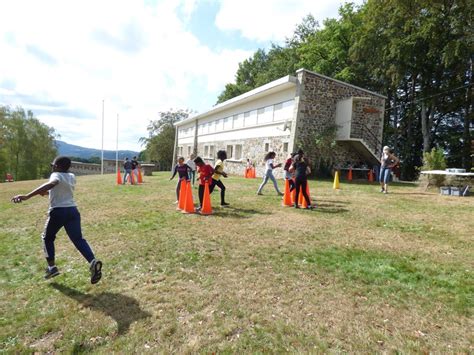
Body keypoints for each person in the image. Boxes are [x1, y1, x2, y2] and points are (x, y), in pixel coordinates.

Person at [10, 156, 102, 283]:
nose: (52, 167)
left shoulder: (55, 175)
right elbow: (61, 190)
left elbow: (52, 184)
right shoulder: (71, 176)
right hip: (73, 211)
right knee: (78, 239)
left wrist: (27, 196)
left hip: (58, 212)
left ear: (57, 166)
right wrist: (48, 194)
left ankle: (52, 268)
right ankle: (93, 261)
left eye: (53, 165)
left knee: (47, 238)